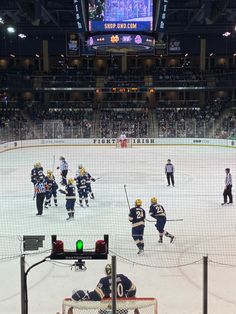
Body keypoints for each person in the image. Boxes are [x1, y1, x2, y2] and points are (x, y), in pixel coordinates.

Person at [72, 263, 136, 301]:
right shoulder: (123, 277)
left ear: (106, 271)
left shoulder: (104, 280)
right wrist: (126, 295)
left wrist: (86, 295)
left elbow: (97, 295)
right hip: (123, 309)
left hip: (109, 308)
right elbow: (133, 289)